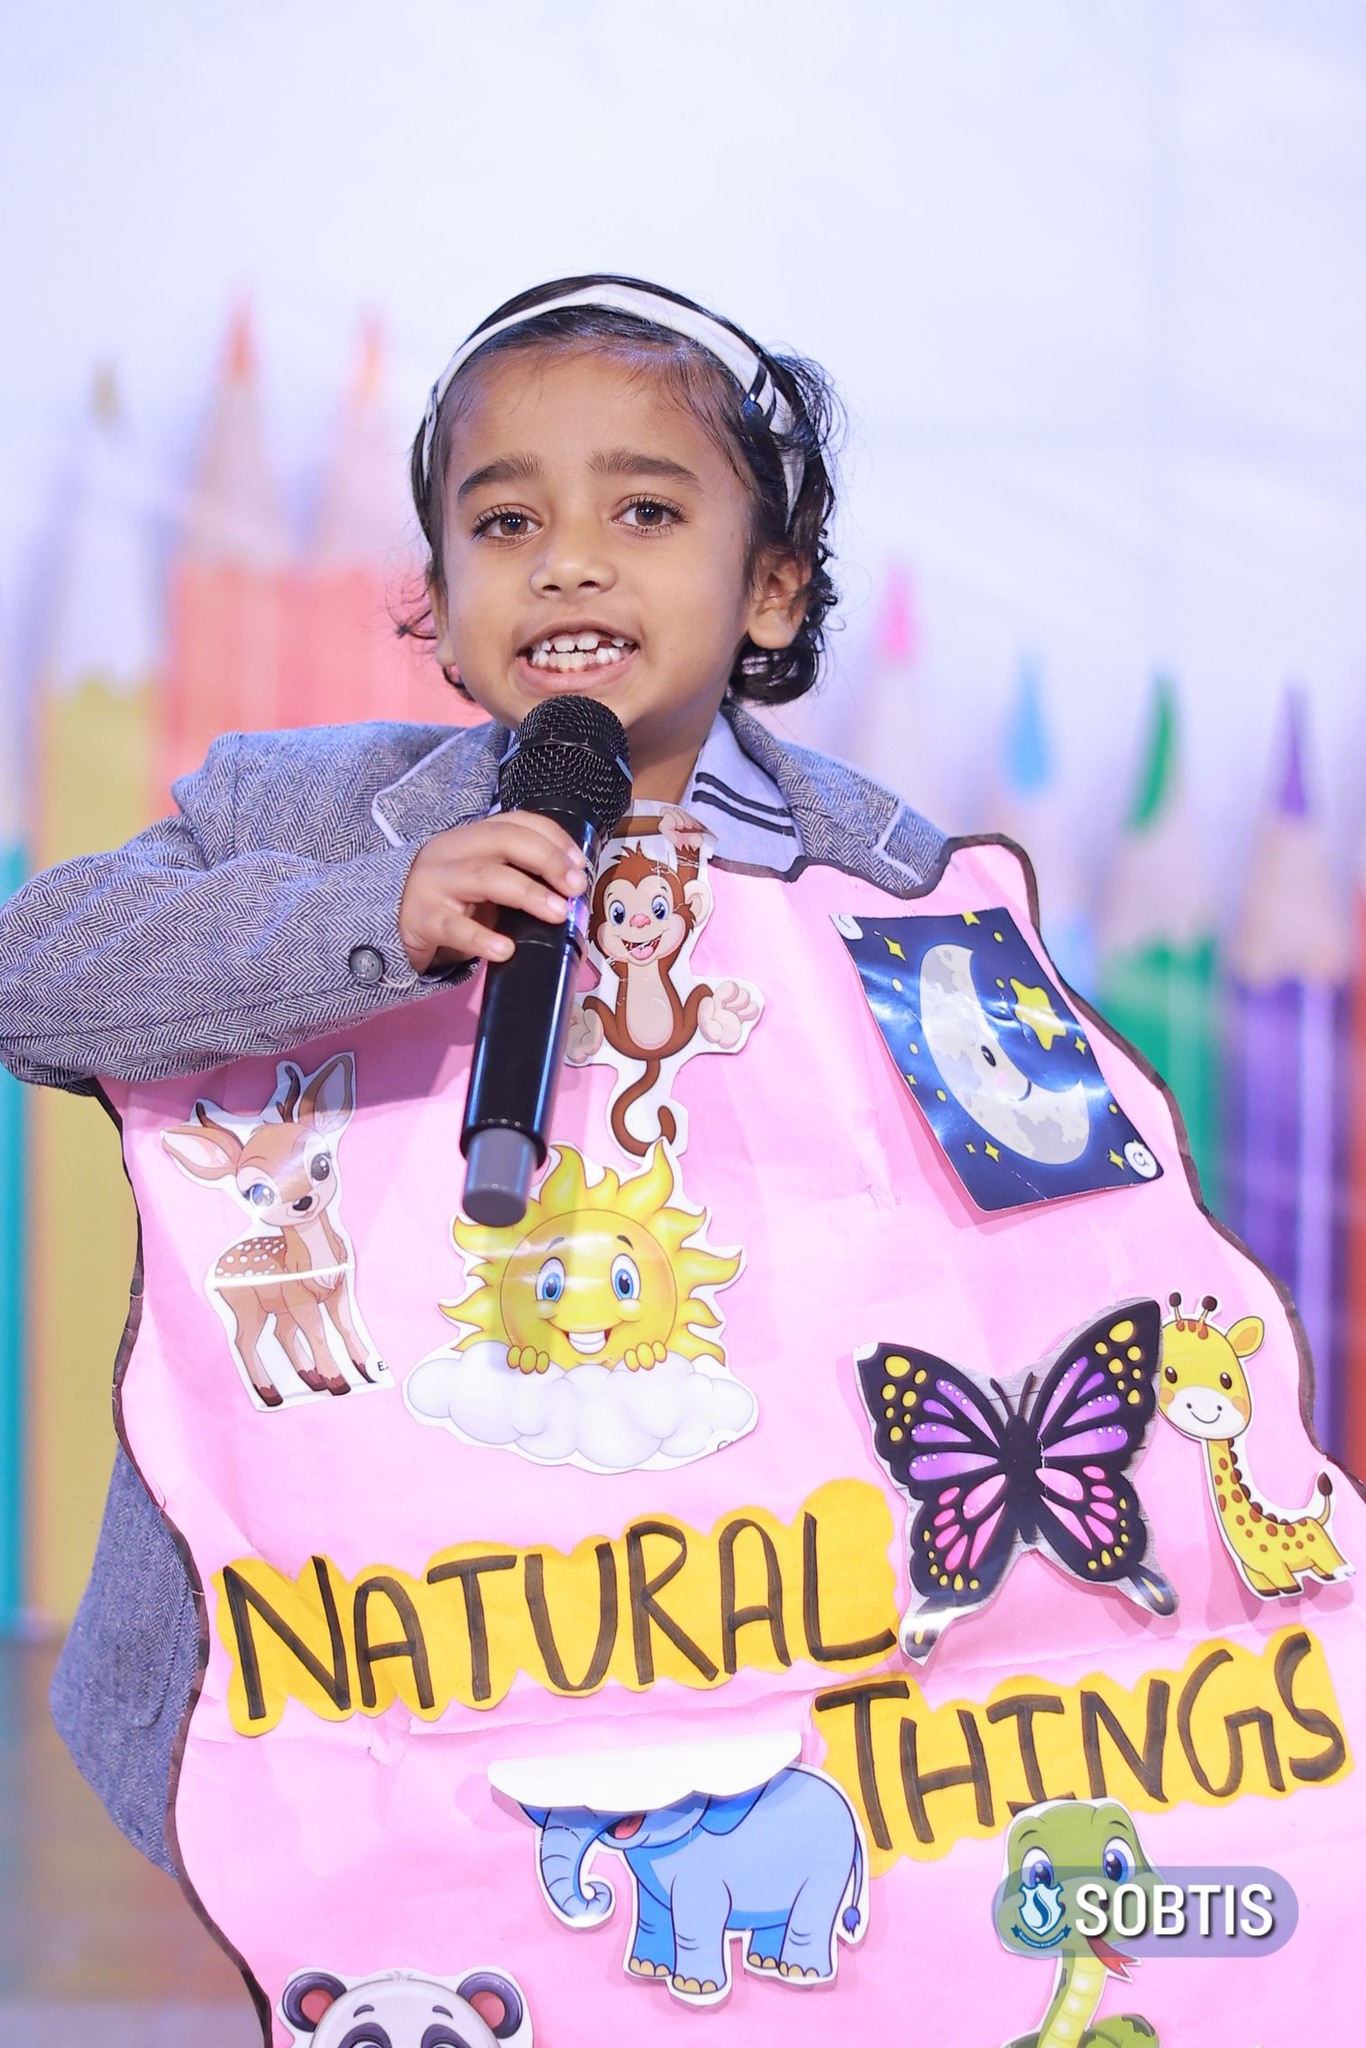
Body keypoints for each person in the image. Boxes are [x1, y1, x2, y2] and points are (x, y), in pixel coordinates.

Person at [0, 273, 943, 1876]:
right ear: (436, 608)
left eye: (645, 510)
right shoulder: (298, 814)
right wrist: (373, 916)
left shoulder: (885, 875)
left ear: (771, 591)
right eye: (504, 523)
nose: (568, 558)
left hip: (728, 1608)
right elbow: (36, 974)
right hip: (371, 1642)